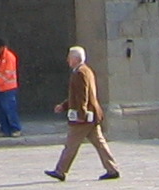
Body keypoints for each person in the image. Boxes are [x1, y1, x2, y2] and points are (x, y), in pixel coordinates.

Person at [45, 45, 121, 181]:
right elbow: (78, 95)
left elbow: (82, 96)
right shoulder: (86, 71)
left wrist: (81, 114)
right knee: (99, 143)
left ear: (75, 59)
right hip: (91, 115)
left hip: (84, 117)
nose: (67, 60)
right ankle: (112, 169)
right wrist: (64, 106)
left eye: (69, 57)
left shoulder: (80, 73)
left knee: (71, 144)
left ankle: (60, 171)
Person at [0, 38, 21, 138]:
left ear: (0, 47)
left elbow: (7, 74)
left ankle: (15, 128)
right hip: (0, 88)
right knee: (0, 109)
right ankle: (4, 129)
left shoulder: (10, 57)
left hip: (8, 88)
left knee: (9, 109)